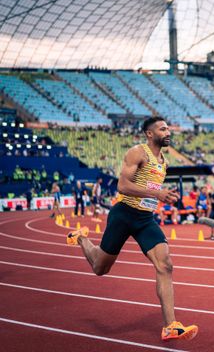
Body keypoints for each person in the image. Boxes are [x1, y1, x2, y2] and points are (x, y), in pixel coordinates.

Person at [65, 117, 198, 341]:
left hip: (145, 219)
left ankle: (170, 326)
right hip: (124, 214)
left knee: (165, 264)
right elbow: (123, 186)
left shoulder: (163, 162)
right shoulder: (138, 152)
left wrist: (164, 197)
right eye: (162, 129)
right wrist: (157, 194)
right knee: (100, 268)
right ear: (149, 133)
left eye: (168, 128)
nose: (168, 132)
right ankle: (81, 238)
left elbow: (149, 188)